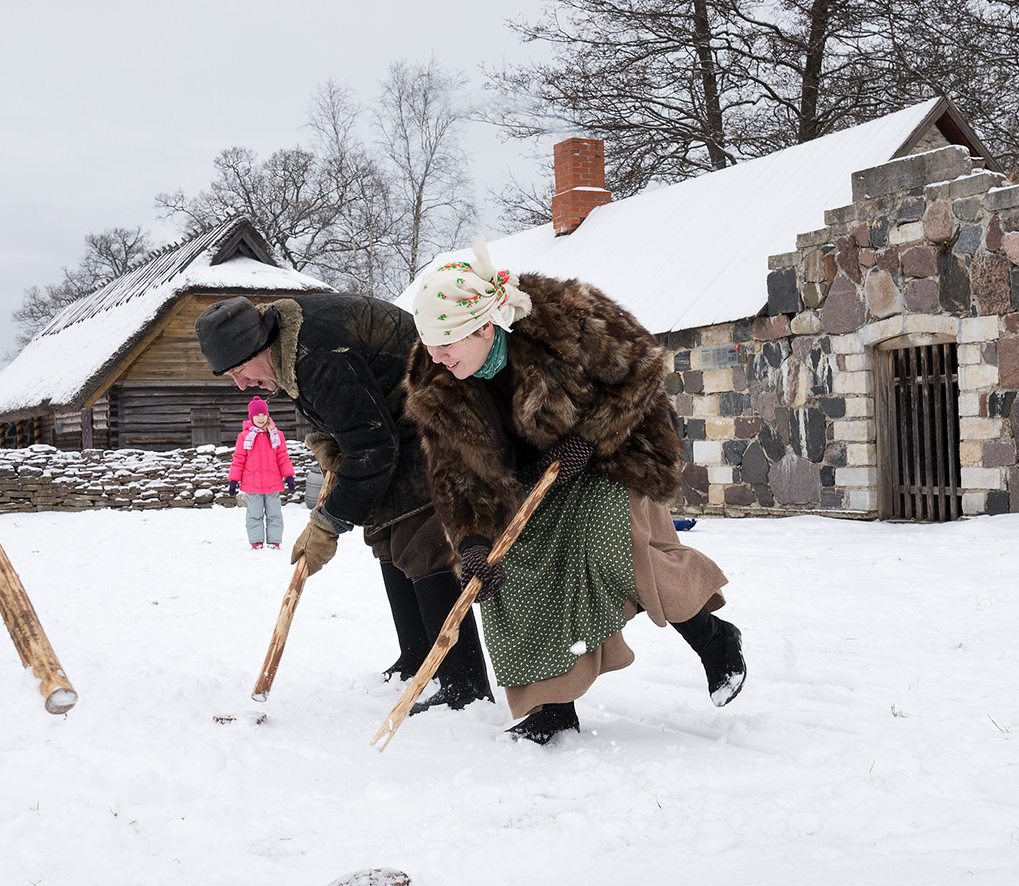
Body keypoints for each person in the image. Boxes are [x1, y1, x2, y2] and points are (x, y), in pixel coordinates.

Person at [403, 242, 748, 744]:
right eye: (428, 343)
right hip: (527, 481)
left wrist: (589, 441)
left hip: (613, 452)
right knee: (507, 577)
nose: (435, 356)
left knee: (612, 546)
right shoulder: (434, 382)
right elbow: (454, 474)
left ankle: (713, 638)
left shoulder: (563, 317)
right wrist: (473, 541)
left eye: (446, 342)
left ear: (483, 327)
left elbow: (645, 367)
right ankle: (550, 708)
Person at [194, 291, 494, 712]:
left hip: (439, 411)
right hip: (396, 418)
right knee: (387, 537)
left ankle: (464, 684)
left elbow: (374, 446)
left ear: (260, 346)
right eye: (231, 376)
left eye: (242, 370)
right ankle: (417, 657)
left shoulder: (314, 350)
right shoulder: (285, 347)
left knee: (420, 541)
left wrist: (328, 523)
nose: (242, 385)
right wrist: (324, 441)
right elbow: (329, 407)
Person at [225, 396, 295, 550]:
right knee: (254, 515)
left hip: (273, 483)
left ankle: (274, 541)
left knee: (274, 515)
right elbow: (238, 460)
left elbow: (283, 457)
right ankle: (256, 541)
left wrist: (289, 476)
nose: (261, 418)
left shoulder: (276, 435)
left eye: (263, 414)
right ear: (251, 417)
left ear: (267, 415)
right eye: (257, 415)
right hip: (252, 485)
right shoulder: (244, 437)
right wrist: (233, 480)